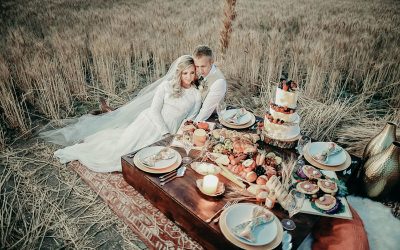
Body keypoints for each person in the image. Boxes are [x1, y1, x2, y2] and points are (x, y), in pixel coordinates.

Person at [40, 55, 201, 172]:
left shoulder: (195, 95)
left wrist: (178, 135)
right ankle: (83, 149)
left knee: (156, 162)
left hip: (172, 131)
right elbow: (154, 110)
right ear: (179, 73)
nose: (188, 77)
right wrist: (164, 132)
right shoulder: (166, 86)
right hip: (150, 123)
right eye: (185, 73)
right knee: (120, 152)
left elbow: (190, 119)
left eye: (192, 73)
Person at [192, 45, 227, 122]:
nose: (200, 71)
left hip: (211, 116)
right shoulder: (200, 72)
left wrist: (192, 125)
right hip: (196, 108)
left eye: (203, 66)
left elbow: (206, 111)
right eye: (197, 66)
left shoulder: (219, 82)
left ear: (211, 62)